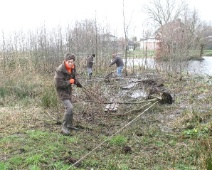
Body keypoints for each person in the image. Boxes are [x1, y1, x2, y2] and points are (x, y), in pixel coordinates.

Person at [54, 53, 82, 135]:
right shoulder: (59, 70)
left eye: (72, 62)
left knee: (71, 108)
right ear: (65, 61)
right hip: (61, 91)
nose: (70, 63)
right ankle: (64, 127)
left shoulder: (73, 67)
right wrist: (70, 81)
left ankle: (70, 125)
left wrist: (77, 83)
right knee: (69, 107)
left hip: (68, 90)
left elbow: (73, 77)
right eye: (69, 62)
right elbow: (58, 84)